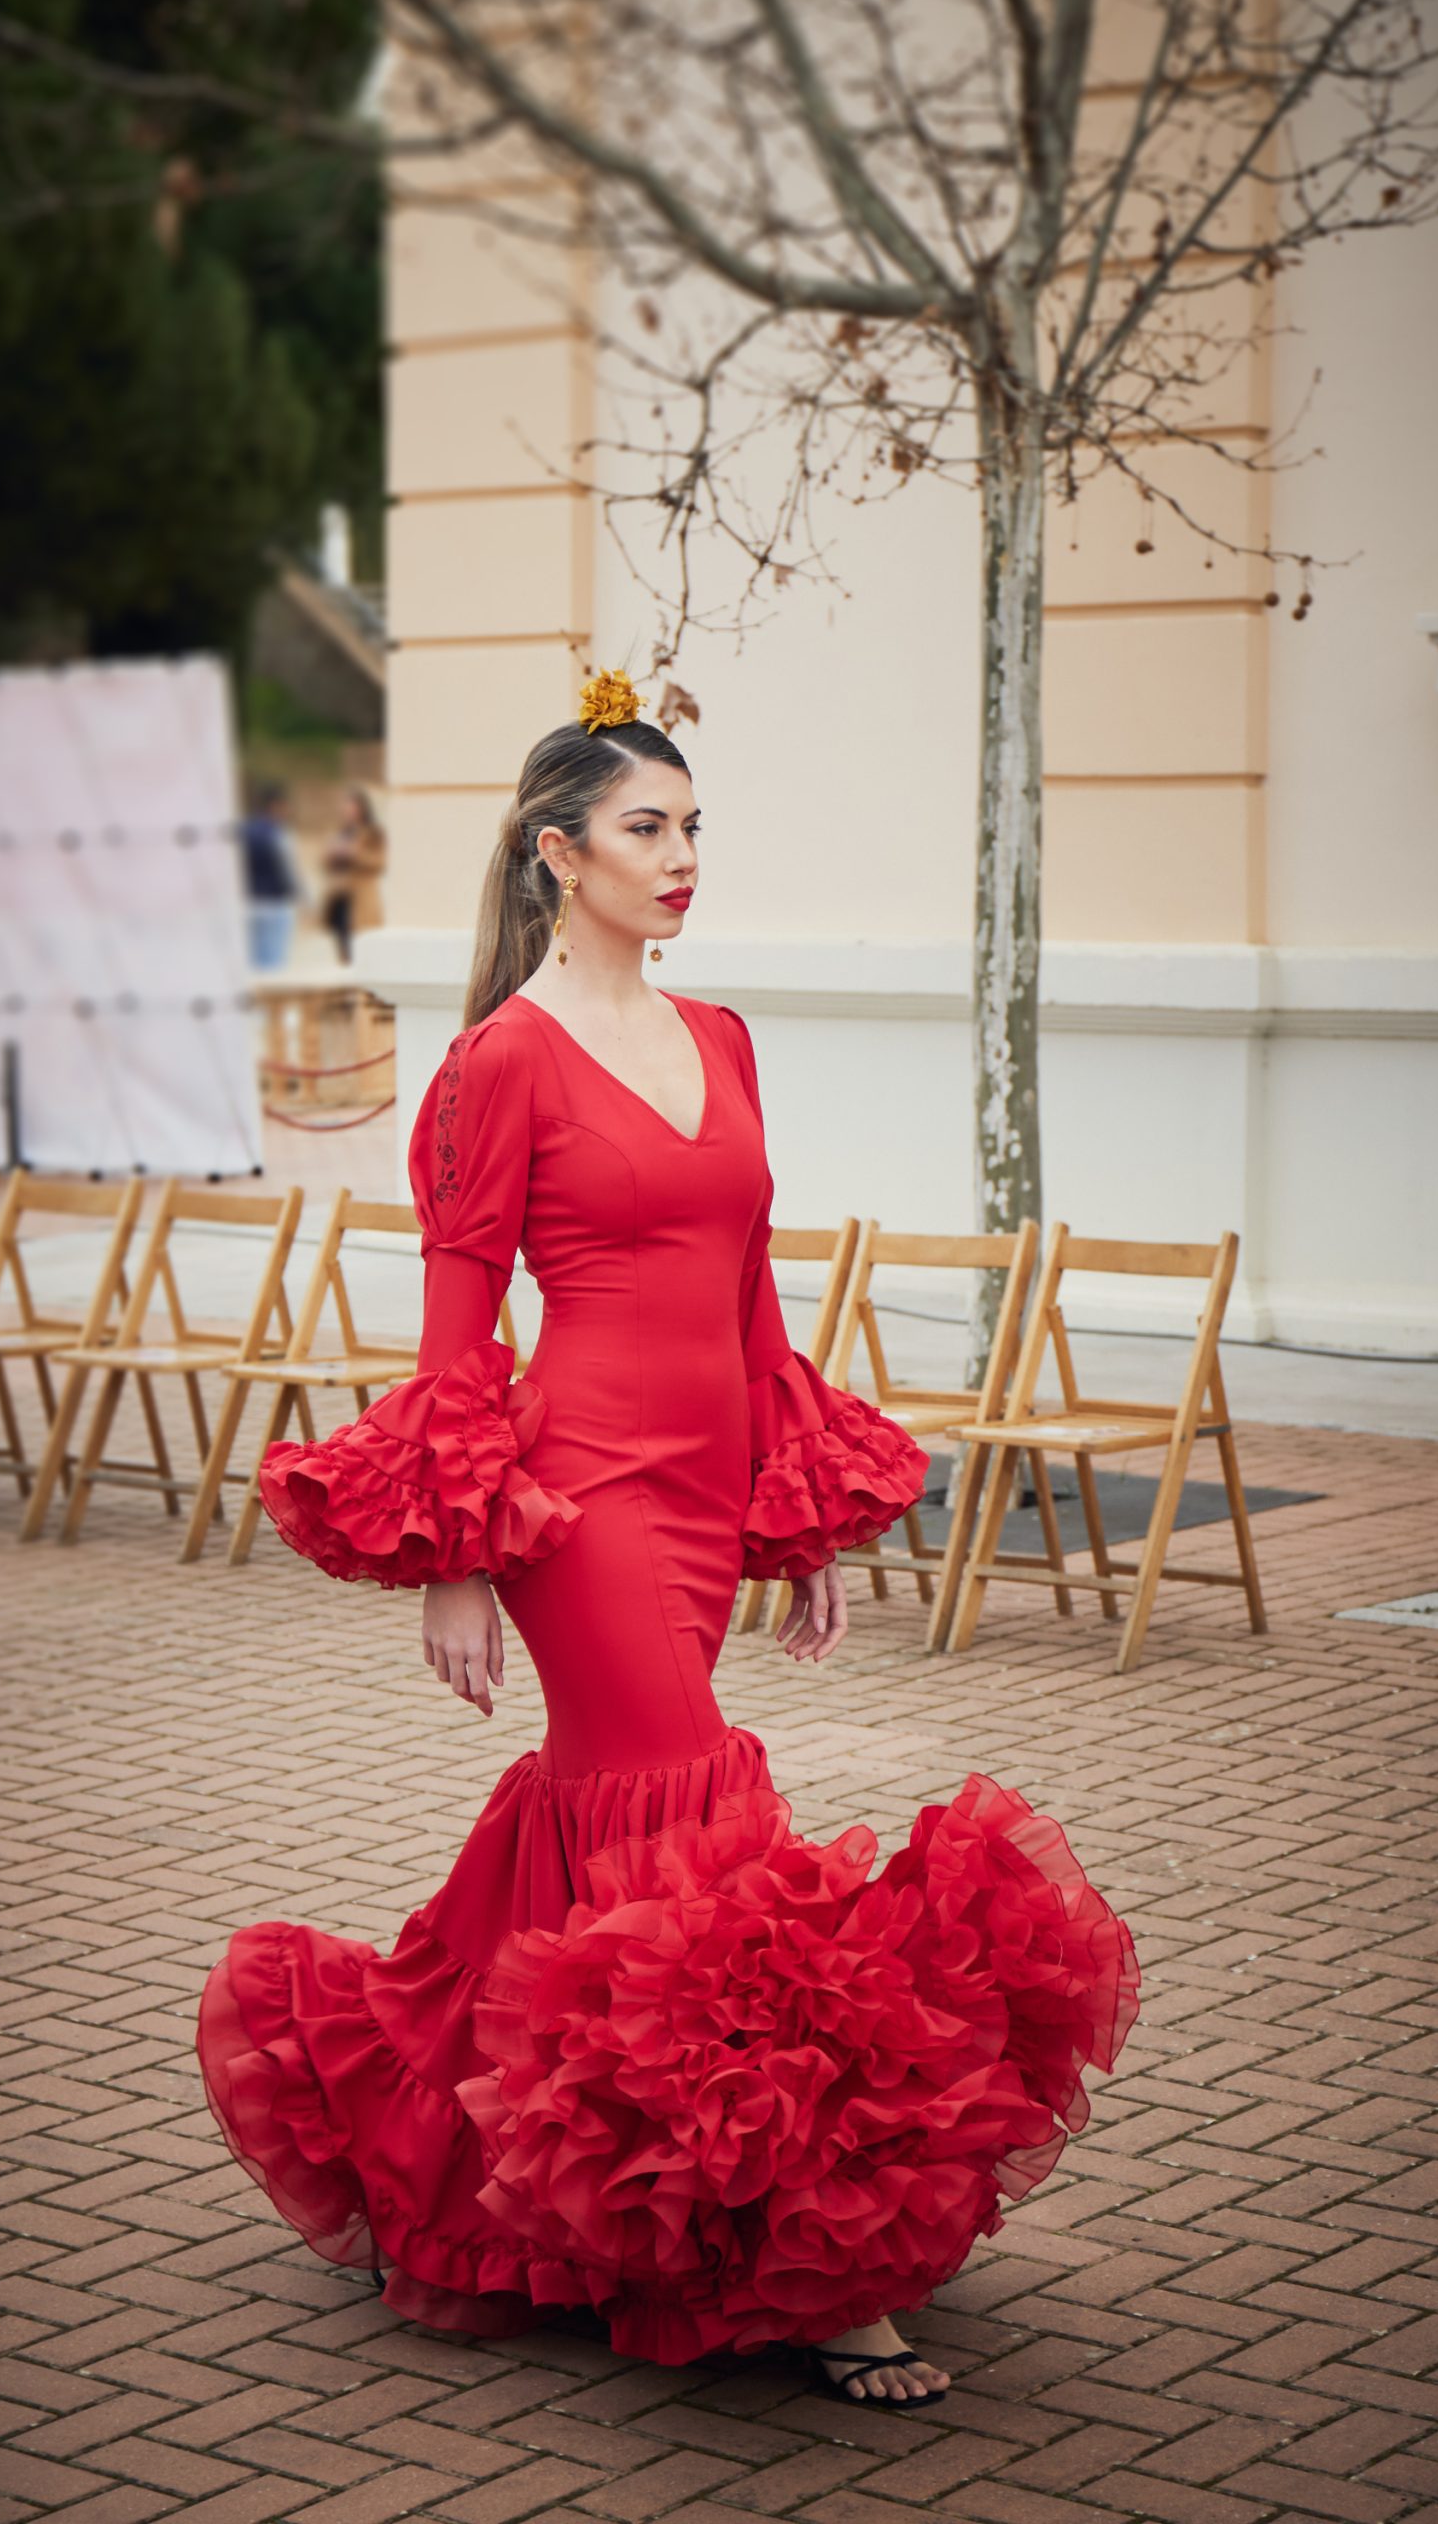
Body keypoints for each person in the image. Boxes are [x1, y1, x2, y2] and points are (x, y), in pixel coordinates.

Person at [197, 670, 1139, 2407]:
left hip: (712, 1487)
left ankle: (451, 2137)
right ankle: (797, 2259)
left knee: (615, 1828)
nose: (683, 858)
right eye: (650, 829)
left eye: (693, 827)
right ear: (562, 856)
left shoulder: (722, 1039)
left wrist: (804, 1504)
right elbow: (459, 1326)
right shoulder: (495, 1062)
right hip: (581, 1494)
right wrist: (463, 1547)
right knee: (696, 1809)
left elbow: (752, 1294)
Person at [320, 784, 388, 965]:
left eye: (351, 806)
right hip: (340, 897)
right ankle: (349, 986)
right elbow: (325, 864)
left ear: (361, 808)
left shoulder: (372, 833)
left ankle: (363, 990)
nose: (346, 811)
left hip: (361, 899)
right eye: (344, 807)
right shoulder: (340, 832)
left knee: (362, 947)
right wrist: (331, 854)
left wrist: (354, 853)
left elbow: (380, 862)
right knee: (343, 948)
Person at [240, 780, 299, 972]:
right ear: (276, 805)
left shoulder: (244, 830)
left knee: (254, 963)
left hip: (251, 901)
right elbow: (288, 869)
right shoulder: (278, 833)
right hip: (276, 902)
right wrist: (301, 897)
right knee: (274, 965)